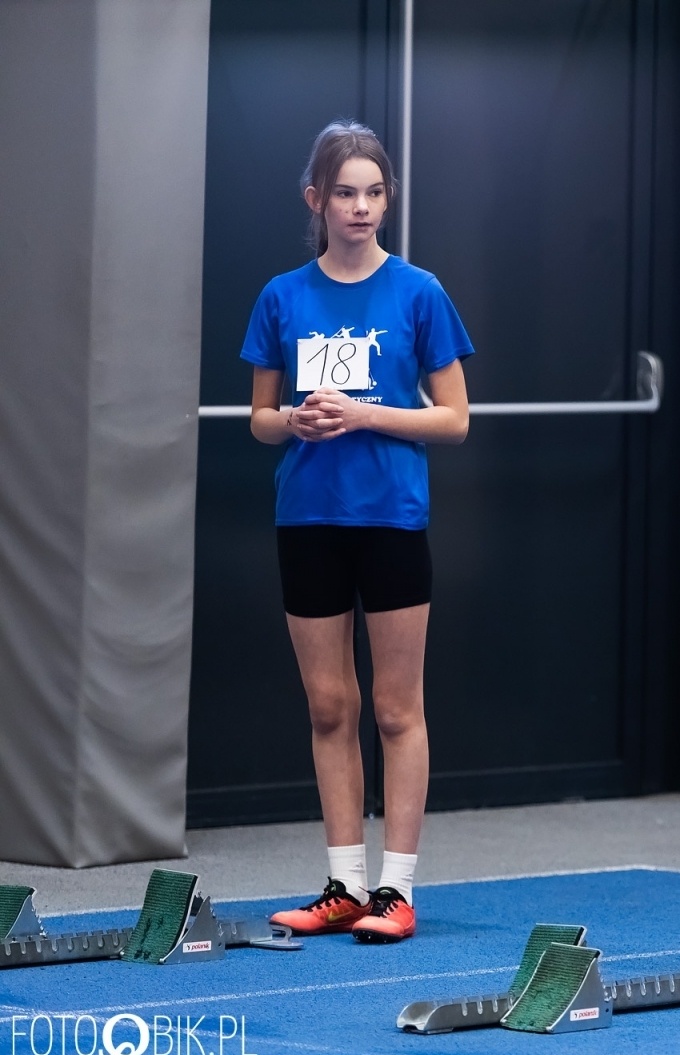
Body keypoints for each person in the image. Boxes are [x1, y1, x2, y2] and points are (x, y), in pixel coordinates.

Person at [244, 121, 473, 943]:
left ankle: (396, 890)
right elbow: (260, 420)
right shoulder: (283, 296)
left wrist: (368, 413)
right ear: (317, 199)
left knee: (395, 708)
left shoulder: (420, 292)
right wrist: (295, 424)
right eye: (345, 192)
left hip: (391, 521)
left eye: (375, 192)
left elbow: (454, 420)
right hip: (306, 519)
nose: (361, 206)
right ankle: (342, 884)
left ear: (389, 199)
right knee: (329, 705)